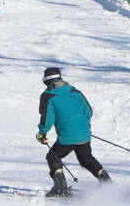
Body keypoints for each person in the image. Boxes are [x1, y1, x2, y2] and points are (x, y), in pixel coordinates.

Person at [37, 66, 109, 195]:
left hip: (67, 135)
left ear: (46, 81)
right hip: (84, 132)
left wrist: (42, 133)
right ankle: (107, 183)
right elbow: (88, 111)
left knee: (53, 157)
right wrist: (85, 126)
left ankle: (60, 188)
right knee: (86, 159)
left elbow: (47, 118)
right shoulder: (75, 91)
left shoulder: (47, 96)